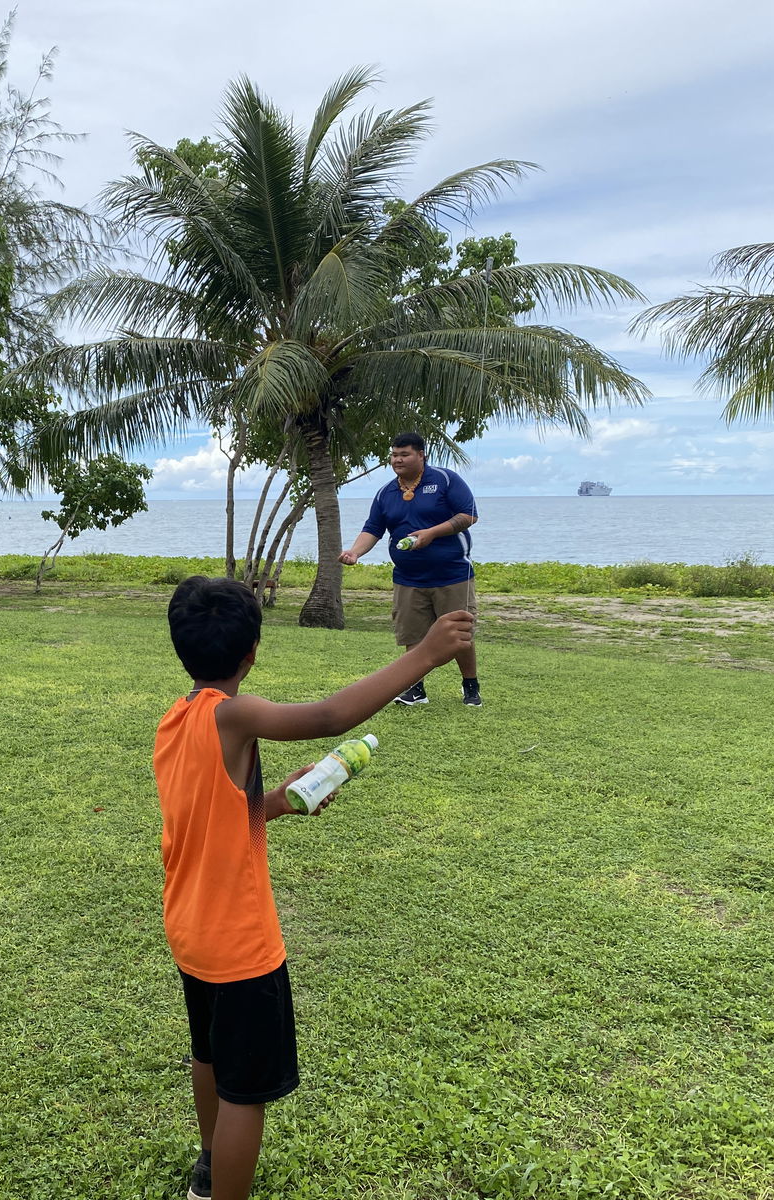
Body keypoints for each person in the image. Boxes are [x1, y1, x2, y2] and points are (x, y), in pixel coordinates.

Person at [155, 575, 472, 1200]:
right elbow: (330, 716)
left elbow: (209, 815)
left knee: (209, 1056)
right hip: (241, 946)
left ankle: (208, 1165)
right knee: (246, 1092)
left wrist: (273, 803)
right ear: (252, 653)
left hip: (191, 930)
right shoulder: (233, 714)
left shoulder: (178, 719)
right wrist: (425, 654)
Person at [339, 431, 482, 707]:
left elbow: (469, 515)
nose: (397, 460)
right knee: (412, 634)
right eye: (394, 455)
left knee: (459, 634)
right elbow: (373, 529)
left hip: (451, 574)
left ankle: (470, 686)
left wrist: (431, 533)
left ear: (421, 455)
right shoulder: (386, 493)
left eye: (404, 454)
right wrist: (354, 552)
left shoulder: (445, 480)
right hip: (408, 578)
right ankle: (415, 689)